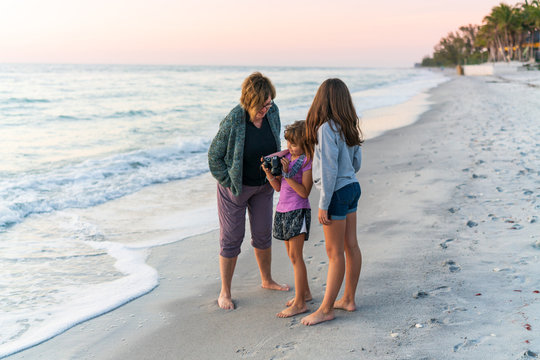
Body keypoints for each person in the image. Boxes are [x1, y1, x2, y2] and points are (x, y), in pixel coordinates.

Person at [208, 72, 289, 310]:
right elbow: (214, 156)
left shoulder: (273, 112)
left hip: (264, 185)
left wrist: (277, 165)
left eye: (269, 103)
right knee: (232, 239)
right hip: (236, 188)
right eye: (263, 104)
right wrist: (229, 181)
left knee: (263, 234)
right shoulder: (235, 119)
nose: (267, 108)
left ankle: (266, 280)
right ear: (250, 100)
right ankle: (225, 292)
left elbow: (274, 142)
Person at [301, 78, 363, 326]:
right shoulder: (349, 126)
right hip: (352, 187)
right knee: (351, 246)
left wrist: (323, 203)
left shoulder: (326, 129)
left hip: (336, 192)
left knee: (334, 252)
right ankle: (348, 298)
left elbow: (328, 169)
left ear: (322, 101)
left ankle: (326, 309)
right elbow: (356, 163)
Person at [262, 121, 313, 318]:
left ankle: (300, 303)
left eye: (294, 144)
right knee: (292, 256)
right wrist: (270, 173)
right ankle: (305, 293)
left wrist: (286, 173)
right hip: (282, 210)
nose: (290, 147)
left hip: (297, 210)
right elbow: (278, 188)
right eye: (288, 143)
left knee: (297, 256)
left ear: (306, 143)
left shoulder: (306, 161)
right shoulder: (287, 158)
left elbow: (304, 192)